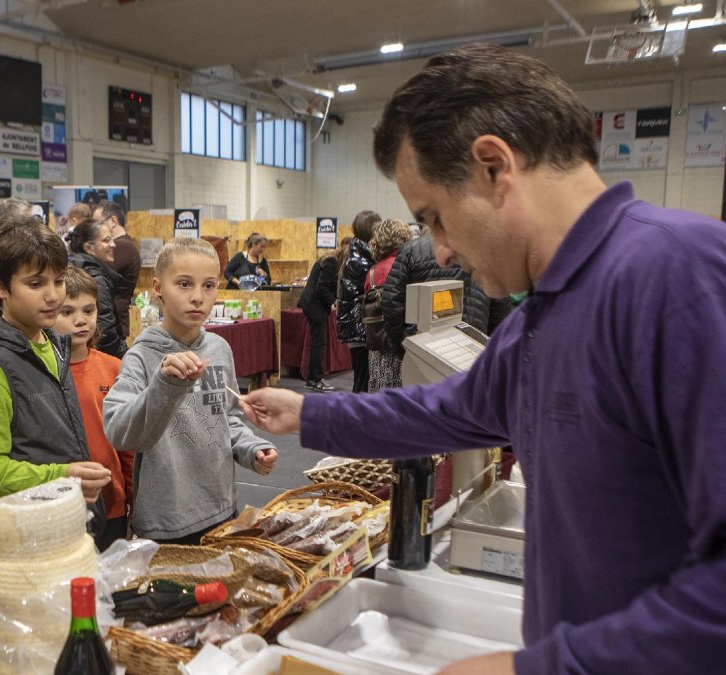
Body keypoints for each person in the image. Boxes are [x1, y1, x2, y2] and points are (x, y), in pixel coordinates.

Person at [241, 43, 726, 674]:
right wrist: (311, 414)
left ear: (495, 165)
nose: (439, 252)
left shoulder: (682, 280)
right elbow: (447, 409)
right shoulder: (540, 318)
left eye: (435, 217)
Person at [104, 237, 278, 545]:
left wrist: (251, 448)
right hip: (165, 522)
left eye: (208, 285)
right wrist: (164, 385)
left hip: (221, 509)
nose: (198, 297)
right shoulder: (141, 356)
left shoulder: (219, 348)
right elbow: (119, 430)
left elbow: (227, 418)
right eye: (184, 284)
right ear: (158, 287)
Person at [0, 214, 112, 545]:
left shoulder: (51, 342)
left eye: (58, 280)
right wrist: (63, 476)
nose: (54, 296)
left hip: (61, 524)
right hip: (19, 539)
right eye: (36, 284)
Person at [53, 267, 133, 550]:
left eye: (88, 311)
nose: (80, 321)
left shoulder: (114, 368)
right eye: (67, 312)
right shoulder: (43, 374)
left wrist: (133, 499)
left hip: (112, 499)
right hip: (63, 501)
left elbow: (127, 442)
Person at [381, 229, 512, 354]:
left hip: (421, 346)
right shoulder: (484, 252)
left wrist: (403, 344)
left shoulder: (410, 250)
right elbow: (500, 304)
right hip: (472, 343)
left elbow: (391, 302)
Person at [296, 236, 351, 392]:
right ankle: (316, 379)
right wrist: (333, 302)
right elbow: (321, 288)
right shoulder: (331, 263)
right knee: (318, 344)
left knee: (317, 343)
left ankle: (312, 379)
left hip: (315, 306)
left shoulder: (329, 260)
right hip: (314, 306)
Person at [68, 217, 128, 358]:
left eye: (112, 239)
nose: (113, 245)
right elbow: (105, 331)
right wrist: (126, 355)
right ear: (89, 248)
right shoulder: (95, 277)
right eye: (106, 240)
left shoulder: (81, 268)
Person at [364, 218, 413, 392]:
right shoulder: (406, 266)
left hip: (377, 345)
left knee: (379, 392)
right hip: (400, 343)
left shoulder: (372, 271)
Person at [336, 210, 381, 392]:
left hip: (358, 328)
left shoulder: (357, 255)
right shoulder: (361, 260)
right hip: (360, 329)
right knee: (362, 382)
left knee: (362, 379)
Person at [94, 201, 140, 340]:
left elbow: (94, 274)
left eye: (98, 223)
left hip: (111, 326)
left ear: (113, 221)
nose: (95, 229)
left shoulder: (122, 246)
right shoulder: (126, 245)